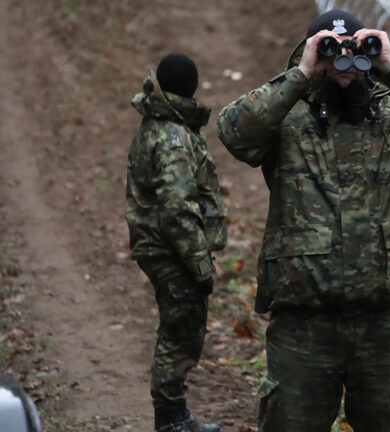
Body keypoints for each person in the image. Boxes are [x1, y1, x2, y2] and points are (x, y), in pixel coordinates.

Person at [217, 8, 390, 432]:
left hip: (382, 322)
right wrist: (301, 73)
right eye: (331, 54)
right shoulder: (287, 118)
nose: (345, 69)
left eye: (354, 55)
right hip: (304, 325)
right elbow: (234, 132)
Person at [125, 53, 227, 432]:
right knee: (179, 333)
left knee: (180, 329)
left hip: (162, 246)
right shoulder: (173, 138)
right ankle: (170, 421)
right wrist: (199, 264)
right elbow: (176, 209)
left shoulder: (159, 124)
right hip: (170, 250)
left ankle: (175, 415)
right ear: (189, 88)